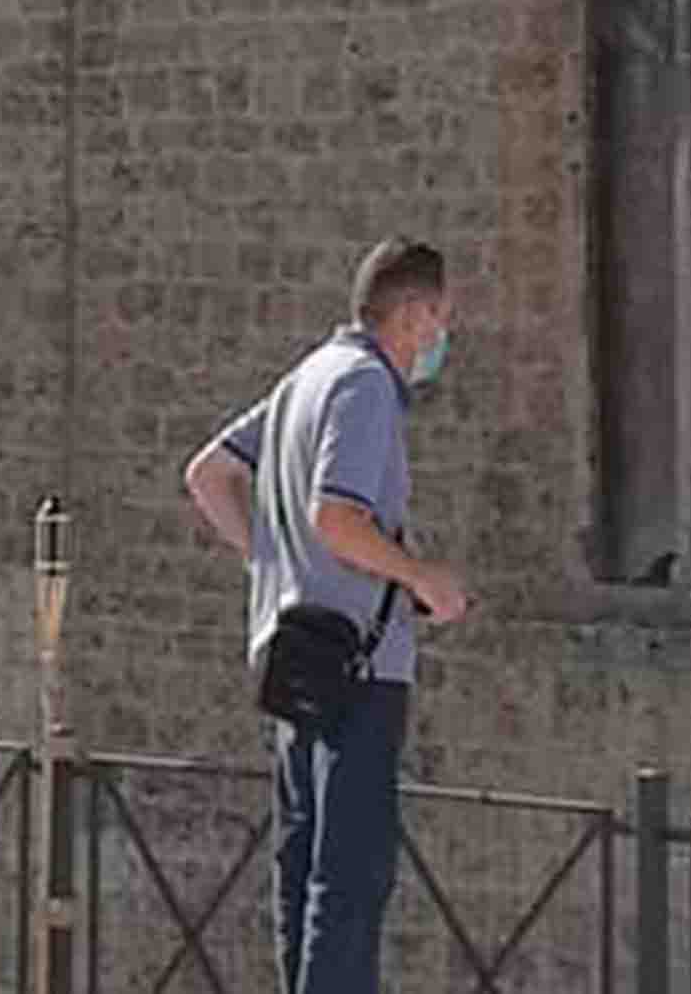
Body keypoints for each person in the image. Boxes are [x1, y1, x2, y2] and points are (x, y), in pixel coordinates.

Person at [183, 237, 472, 994]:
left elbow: (209, 474)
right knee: (349, 881)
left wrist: (269, 561)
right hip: (359, 669)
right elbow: (337, 515)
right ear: (411, 314)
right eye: (440, 318)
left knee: (302, 869)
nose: (442, 337)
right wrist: (424, 579)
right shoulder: (365, 385)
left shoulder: (305, 378)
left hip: (292, 657)